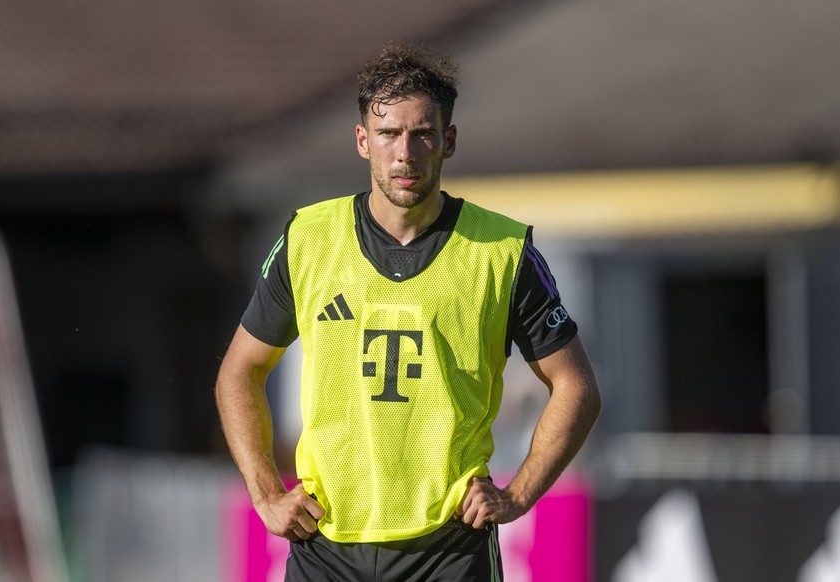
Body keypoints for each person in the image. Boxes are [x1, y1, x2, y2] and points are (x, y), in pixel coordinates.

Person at [215, 41, 602, 581]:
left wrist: (517, 495)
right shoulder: (308, 239)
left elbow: (577, 387)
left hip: (448, 551)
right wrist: (265, 496)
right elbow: (239, 372)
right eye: (388, 134)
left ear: (448, 141)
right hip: (326, 545)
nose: (405, 152)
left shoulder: (502, 250)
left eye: (422, 133)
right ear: (362, 141)